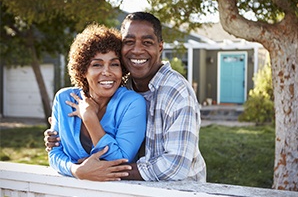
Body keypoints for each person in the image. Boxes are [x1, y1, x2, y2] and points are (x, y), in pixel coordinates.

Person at [45, 12, 206, 182]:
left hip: (181, 189)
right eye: (129, 42)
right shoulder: (125, 85)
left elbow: (176, 166)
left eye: (147, 42)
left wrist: (100, 169)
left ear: (160, 47)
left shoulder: (176, 92)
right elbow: (55, 152)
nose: (137, 50)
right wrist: (76, 169)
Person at [47, 23, 147, 180]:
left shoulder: (132, 103)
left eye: (114, 64)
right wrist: (76, 170)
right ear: (83, 70)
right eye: (97, 65)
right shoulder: (64, 99)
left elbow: (120, 162)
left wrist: (89, 117)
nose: (107, 72)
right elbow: (54, 153)